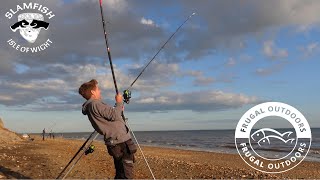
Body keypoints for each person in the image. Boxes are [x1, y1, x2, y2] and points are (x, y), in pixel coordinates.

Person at [79, 79, 136, 179]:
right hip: (120, 142)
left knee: (121, 173)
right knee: (125, 175)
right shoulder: (95, 104)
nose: (100, 91)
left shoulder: (93, 105)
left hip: (117, 142)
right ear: (93, 92)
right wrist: (118, 102)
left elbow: (113, 115)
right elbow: (114, 115)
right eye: (98, 89)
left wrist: (119, 108)